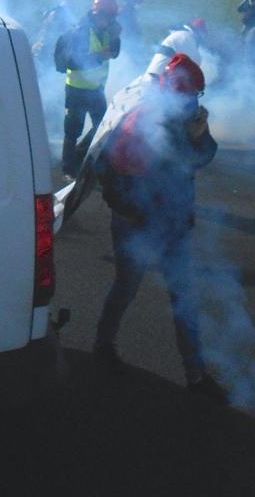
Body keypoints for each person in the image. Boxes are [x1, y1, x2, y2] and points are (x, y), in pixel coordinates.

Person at [91, 53, 227, 403]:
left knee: (180, 296)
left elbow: (206, 152)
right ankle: (104, 345)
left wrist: (201, 136)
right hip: (140, 222)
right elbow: (192, 158)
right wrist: (127, 210)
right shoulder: (145, 122)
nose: (195, 102)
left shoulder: (183, 118)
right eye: (191, 95)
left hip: (170, 222)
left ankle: (195, 376)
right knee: (130, 286)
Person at [58, 0, 121, 178]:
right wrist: (100, 57)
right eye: (108, 17)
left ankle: (81, 157)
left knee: (102, 126)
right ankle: (68, 168)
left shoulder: (107, 31)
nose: (110, 22)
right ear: (98, 14)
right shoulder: (81, 32)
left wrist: (116, 39)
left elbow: (114, 53)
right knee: (72, 131)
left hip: (95, 90)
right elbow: (73, 61)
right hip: (77, 89)